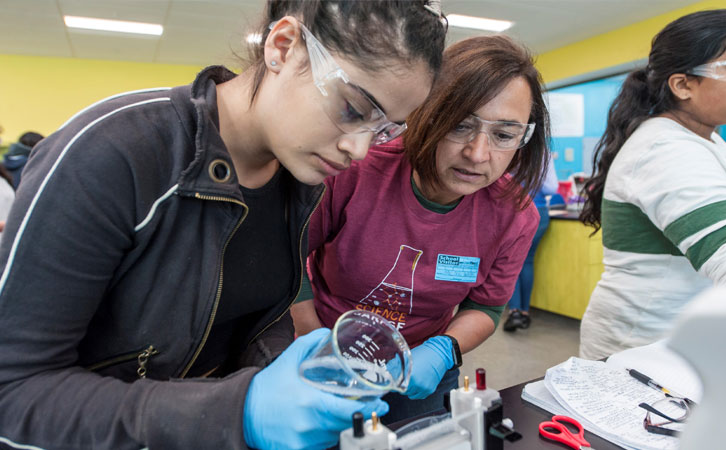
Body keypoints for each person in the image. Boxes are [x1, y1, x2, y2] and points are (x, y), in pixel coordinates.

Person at [0, 1, 447, 449]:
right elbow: (14, 394)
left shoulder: (301, 182)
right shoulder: (112, 155)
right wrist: (237, 410)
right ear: (283, 45)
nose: (360, 149)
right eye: (352, 108)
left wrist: (284, 364)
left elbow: (243, 310)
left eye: (386, 129)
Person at [292, 34, 550, 423]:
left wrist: (445, 349)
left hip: (418, 363)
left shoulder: (514, 215)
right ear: (427, 114)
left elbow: (486, 306)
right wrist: (315, 343)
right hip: (322, 345)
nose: (478, 154)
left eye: (503, 135)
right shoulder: (357, 170)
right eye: (461, 126)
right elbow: (286, 260)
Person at [579, 8, 726, 360]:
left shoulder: (710, 141)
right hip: (641, 352)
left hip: (683, 344)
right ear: (683, 84)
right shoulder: (666, 149)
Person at [503, 157, 557, 332]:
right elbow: (551, 188)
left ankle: (515, 312)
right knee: (526, 261)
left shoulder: (508, 146)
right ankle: (524, 312)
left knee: (510, 262)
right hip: (539, 210)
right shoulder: (543, 154)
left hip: (512, 210)